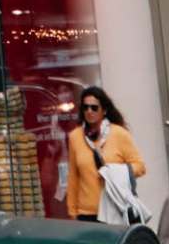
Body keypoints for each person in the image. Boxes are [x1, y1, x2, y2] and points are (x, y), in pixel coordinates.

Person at [60, 87, 151, 226]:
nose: (89, 111)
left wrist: (113, 171)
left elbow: (140, 167)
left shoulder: (119, 134)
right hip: (86, 213)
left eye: (94, 107)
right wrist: (72, 212)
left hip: (115, 210)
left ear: (104, 110)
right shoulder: (75, 137)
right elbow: (73, 176)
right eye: (85, 107)